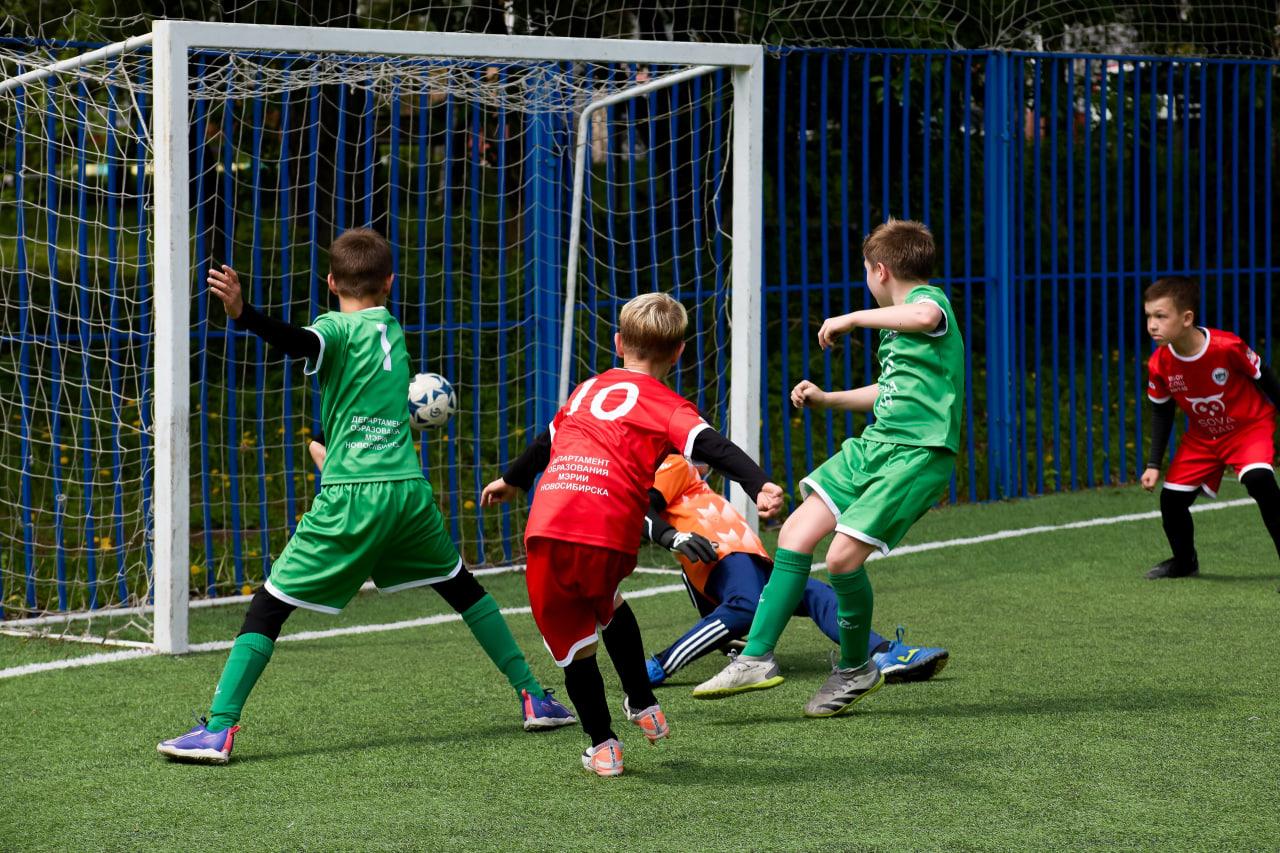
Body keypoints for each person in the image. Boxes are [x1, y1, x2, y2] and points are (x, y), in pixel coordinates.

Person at [157, 229, 573, 765]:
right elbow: (357, 399)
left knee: (269, 604)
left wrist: (245, 314)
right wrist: (335, 446)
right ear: (390, 283)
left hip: (354, 498)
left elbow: (301, 343)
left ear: (330, 283)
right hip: (408, 493)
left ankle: (218, 729)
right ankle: (534, 697)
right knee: (463, 588)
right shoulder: (391, 329)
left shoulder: (335, 328)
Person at [481, 292, 784, 776]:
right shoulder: (667, 404)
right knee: (608, 601)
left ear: (618, 343)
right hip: (610, 534)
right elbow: (712, 444)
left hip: (550, 527)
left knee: (574, 646)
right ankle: (643, 703)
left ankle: (603, 746)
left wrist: (512, 479)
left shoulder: (586, 390)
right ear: (680, 352)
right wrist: (757, 482)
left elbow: (548, 440)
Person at [694, 219, 964, 718]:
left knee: (841, 560)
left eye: (866, 270)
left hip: (918, 454)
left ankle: (856, 667)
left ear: (880, 271)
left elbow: (925, 317)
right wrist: (827, 398)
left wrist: (851, 319)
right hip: (878, 445)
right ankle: (755, 657)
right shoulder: (893, 326)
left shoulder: (931, 302)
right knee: (795, 531)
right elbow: (888, 394)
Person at [641, 454, 949, 687]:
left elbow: (700, 595)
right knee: (746, 605)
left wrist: (722, 636)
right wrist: (672, 537)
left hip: (751, 561)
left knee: (816, 592)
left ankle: (881, 651)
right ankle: (658, 665)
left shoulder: (692, 487)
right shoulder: (675, 464)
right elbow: (644, 507)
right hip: (728, 558)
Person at [1140, 276, 1280, 580]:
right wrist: (1153, 464)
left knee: (1260, 481)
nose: (1152, 324)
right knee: (1171, 500)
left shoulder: (1226, 346)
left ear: (1186, 318)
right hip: (1203, 437)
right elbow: (1162, 413)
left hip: (1248, 427)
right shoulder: (1158, 364)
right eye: (1149, 316)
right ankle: (1184, 561)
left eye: (1161, 316)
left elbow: (1265, 378)